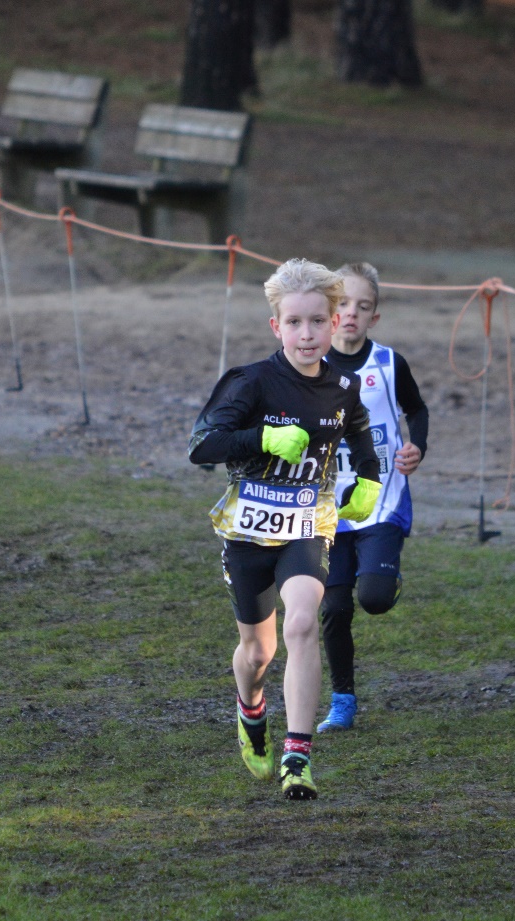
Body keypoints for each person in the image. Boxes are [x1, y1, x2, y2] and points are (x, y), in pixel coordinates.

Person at [189, 258, 382, 800]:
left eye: (317, 321)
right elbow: (200, 446)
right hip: (248, 527)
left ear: (335, 321)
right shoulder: (250, 382)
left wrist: (367, 483)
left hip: (307, 521)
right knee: (258, 653)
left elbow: (364, 444)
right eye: (294, 323)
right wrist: (262, 441)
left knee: (301, 624)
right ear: (277, 326)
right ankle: (250, 708)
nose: (307, 334)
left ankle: (297, 759)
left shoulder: (343, 388)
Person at [317, 263, 429, 733]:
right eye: (342, 304)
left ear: (374, 318)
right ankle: (342, 700)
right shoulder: (308, 364)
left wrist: (417, 447)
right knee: (334, 609)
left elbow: (416, 408)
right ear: (328, 310)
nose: (350, 314)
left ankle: (385, 576)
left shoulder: (388, 364)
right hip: (326, 507)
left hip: (382, 500)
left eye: (362, 307)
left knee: (375, 600)